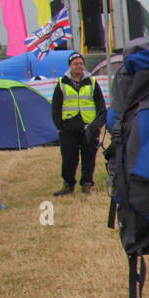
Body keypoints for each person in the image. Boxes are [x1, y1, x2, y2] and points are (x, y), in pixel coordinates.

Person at [49, 52, 106, 195]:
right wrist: (59, 126)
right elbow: (56, 106)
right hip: (68, 128)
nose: (79, 66)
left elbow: (101, 105)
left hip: (89, 127)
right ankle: (68, 184)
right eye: (76, 63)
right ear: (70, 66)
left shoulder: (92, 82)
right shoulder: (62, 83)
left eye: (81, 63)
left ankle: (87, 184)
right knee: (69, 158)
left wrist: (98, 124)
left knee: (89, 157)